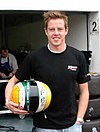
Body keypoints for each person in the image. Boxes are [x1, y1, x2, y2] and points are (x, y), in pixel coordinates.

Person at [5, 11, 91, 132]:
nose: (56, 33)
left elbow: (84, 91)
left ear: (66, 30)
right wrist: (8, 101)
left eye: (60, 29)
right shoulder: (34, 57)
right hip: (44, 126)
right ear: (46, 31)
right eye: (52, 29)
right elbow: (13, 80)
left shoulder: (78, 56)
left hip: (72, 125)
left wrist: (79, 119)